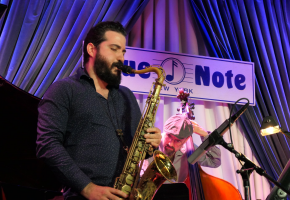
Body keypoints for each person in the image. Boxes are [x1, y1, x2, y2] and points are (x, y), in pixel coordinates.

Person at [36, 21, 162, 200]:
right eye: (114, 49)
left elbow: (138, 149)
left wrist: (151, 143)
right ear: (91, 49)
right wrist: (87, 188)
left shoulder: (127, 95)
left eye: (123, 51)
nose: (121, 57)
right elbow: (47, 144)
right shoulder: (64, 90)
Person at [143, 114, 221, 184]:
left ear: (186, 140)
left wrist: (205, 135)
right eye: (169, 136)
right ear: (164, 131)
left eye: (178, 141)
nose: (171, 144)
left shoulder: (189, 150)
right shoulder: (151, 143)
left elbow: (214, 162)